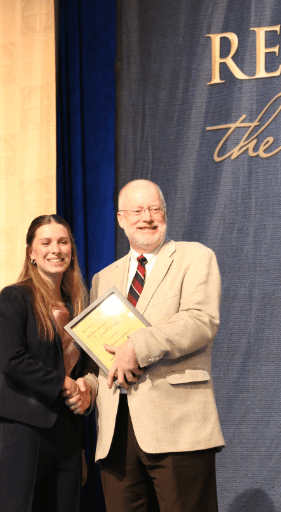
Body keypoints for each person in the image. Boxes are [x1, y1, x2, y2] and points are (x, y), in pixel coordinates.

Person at [91, 180, 225, 512]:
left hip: (178, 423)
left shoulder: (195, 257)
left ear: (165, 214)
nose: (147, 218)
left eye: (154, 209)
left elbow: (200, 320)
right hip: (117, 432)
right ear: (121, 219)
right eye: (137, 211)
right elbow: (101, 353)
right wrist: (89, 385)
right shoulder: (102, 279)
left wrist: (139, 344)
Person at [0, 214, 97, 512]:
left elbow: (89, 364)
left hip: (69, 434)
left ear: (71, 250)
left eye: (63, 242)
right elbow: (11, 360)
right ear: (31, 253)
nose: (56, 249)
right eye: (46, 242)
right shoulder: (15, 297)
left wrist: (86, 389)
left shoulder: (79, 306)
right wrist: (62, 382)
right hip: (23, 429)